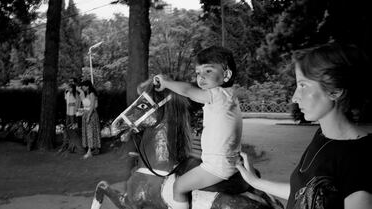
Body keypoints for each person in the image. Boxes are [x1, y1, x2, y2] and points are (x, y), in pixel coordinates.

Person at [235, 42, 372, 209]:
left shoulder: (360, 158)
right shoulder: (322, 135)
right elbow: (305, 194)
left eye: (303, 85)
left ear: (335, 91)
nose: (294, 97)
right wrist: (254, 181)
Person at [154, 45, 243, 209]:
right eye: (198, 72)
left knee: (179, 186)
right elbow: (192, 86)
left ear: (226, 74)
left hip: (217, 167)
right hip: (229, 160)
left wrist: (166, 83)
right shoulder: (228, 95)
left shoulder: (215, 95)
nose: (201, 77)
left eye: (208, 71)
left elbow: (188, 90)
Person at [78, 80, 101, 159]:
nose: (82, 88)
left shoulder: (92, 94)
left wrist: (88, 116)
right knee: (88, 132)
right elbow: (86, 105)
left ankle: (89, 151)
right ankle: (95, 149)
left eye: (83, 86)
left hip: (92, 115)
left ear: (87, 86)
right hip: (86, 114)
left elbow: (92, 107)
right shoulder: (87, 94)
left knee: (91, 132)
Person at [59, 82, 81, 152]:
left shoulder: (76, 94)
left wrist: (75, 107)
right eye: (68, 87)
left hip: (73, 112)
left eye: (70, 87)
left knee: (73, 126)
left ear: (73, 88)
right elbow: (66, 101)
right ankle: (68, 142)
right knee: (68, 126)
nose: (68, 89)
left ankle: (74, 142)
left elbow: (78, 102)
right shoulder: (67, 93)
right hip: (68, 112)